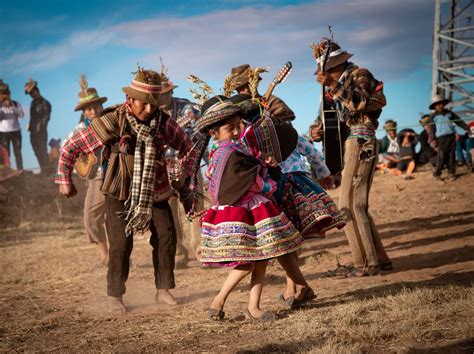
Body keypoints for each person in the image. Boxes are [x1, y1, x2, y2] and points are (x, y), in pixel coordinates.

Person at [56, 68, 197, 313]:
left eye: (153, 104)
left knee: (166, 236)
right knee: (121, 243)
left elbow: (188, 147)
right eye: (143, 104)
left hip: (156, 188)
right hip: (119, 189)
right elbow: (70, 148)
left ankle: (163, 289)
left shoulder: (163, 123)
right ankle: (115, 296)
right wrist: (64, 179)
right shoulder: (113, 120)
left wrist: (183, 172)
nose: (149, 109)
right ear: (130, 100)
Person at [193, 95, 304, 321]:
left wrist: (263, 163)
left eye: (238, 126)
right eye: (229, 129)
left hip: (244, 209)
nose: (236, 132)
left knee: (261, 258)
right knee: (247, 262)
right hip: (244, 211)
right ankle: (219, 300)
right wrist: (268, 183)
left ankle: (253, 307)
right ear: (214, 133)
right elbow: (244, 180)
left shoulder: (229, 150)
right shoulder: (230, 153)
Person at [314, 38, 391, 276]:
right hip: (352, 143)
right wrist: (315, 130)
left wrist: (334, 87)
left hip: (361, 140)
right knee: (356, 205)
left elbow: (360, 103)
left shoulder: (359, 74)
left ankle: (366, 263)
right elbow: (325, 121)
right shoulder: (333, 89)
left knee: (350, 205)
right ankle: (378, 259)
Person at [159, 70, 203, 268]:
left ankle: (201, 250)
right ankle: (178, 252)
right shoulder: (149, 113)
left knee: (194, 207)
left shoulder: (187, 107)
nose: (162, 97)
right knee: (168, 210)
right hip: (162, 167)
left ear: (171, 92)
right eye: (158, 94)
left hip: (187, 163)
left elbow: (200, 130)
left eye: (165, 92)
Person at [63, 75, 109, 266]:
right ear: (84, 111)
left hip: (118, 174)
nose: (93, 111)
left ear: (101, 106)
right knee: (91, 218)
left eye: (96, 106)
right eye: (88, 108)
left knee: (117, 218)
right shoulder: (80, 129)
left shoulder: (111, 121)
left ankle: (117, 255)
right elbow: (67, 150)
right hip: (97, 177)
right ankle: (105, 254)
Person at [428, 94, 470, 181]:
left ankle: (451, 173)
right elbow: (432, 129)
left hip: (451, 137)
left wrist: (466, 128)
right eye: (437, 104)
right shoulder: (433, 116)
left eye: (441, 104)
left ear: (444, 104)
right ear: (434, 106)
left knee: (452, 155)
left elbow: (459, 121)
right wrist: (433, 139)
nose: (440, 106)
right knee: (442, 156)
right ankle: (437, 173)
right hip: (441, 139)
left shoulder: (449, 113)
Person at [25, 79, 51, 175]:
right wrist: (30, 125)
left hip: (41, 132)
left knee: (43, 151)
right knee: (36, 151)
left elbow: (46, 118)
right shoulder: (32, 103)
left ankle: (47, 171)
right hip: (32, 131)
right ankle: (43, 170)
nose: (32, 95)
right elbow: (32, 116)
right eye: (31, 94)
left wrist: (40, 127)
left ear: (38, 91)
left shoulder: (46, 103)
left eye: (33, 92)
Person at [0, 80, 24, 171]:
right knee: (6, 154)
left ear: (10, 94)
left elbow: (21, 115)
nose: (6, 95)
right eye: (3, 94)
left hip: (16, 131)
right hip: (3, 133)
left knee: (18, 152)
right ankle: (7, 171)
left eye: (7, 93)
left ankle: (20, 170)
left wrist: (11, 106)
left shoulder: (16, 103)